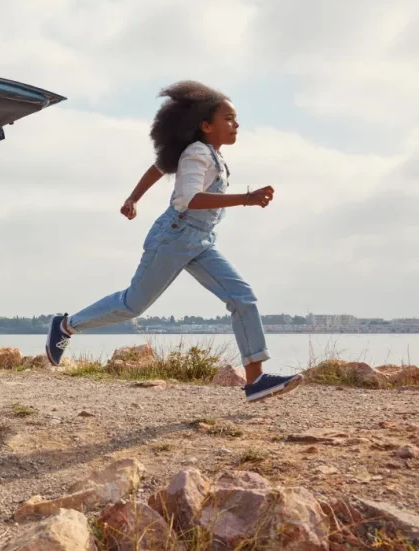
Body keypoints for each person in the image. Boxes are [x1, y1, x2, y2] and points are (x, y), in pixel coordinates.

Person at [45, 81, 303, 403]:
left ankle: (256, 380)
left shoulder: (209, 155)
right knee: (132, 305)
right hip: (174, 238)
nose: (236, 125)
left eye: (236, 119)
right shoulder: (197, 152)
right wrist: (247, 199)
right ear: (206, 125)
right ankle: (67, 326)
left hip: (201, 242)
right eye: (229, 119)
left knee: (242, 297)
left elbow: (158, 168)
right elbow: (189, 199)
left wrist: (133, 198)